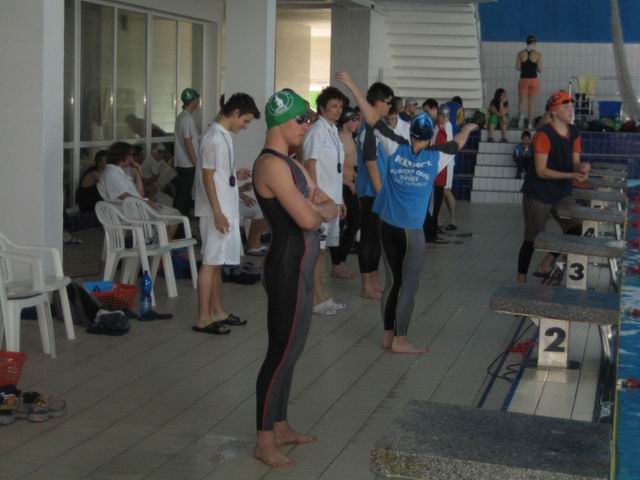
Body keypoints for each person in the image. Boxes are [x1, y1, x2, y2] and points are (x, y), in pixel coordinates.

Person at [336, 71, 478, 354]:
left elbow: (371, 118)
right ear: (429, 137)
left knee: (392, 283)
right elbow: (459, 141)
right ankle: (400, 340)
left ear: (411, 133)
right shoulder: (436, 156)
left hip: (388, 227)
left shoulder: (396, 147)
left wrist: (352, 84)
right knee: (409, 286)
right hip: (411, 233)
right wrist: (470, 127)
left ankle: (387, 336)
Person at [253, 90, 337, 468]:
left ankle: (281, 425)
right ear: (279, 121)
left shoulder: (292, 164)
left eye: (309, 119)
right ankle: (264, 441)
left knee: (294, 349)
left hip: (302, 266)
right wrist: (319, 209)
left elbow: (327, 203)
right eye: (301, 119)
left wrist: (318, 208)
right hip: (285, 267)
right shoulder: (270, 165)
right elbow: (308, 217)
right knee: (279, 353)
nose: (307, 126)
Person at [192, 93, 260, 334]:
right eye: (246, 121)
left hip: (224, 209)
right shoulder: (213, 137)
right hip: (216, 212)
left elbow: (218, 174)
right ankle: (203, 318)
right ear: (235, 113)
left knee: (217, 263)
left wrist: (235, 175)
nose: (245, 125)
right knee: (210, 263)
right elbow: (207, 177)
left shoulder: (224, 136)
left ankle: (217, 311)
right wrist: (217, 211)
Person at [516, 91, 590, 283]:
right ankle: (520, 279)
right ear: (554, 111)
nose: (571, 110)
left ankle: (547, 262)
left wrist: (581, 167)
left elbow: (575, 162)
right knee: (532, 239)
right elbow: (541, 171)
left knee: (577, 228)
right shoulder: (543, 135)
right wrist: (571, 175)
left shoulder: (574, 133)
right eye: (566, 107)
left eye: (571, 106)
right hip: (538, 193)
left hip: (561, 192)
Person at [303, 86, 348, 316]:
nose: (338, 110)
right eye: (333, 106)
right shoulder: (317, 131)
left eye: (340, 106)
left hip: (333, 200)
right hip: (321, 201)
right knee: (316, 252)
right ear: (321, 108)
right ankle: (314, 299)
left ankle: (323, 296)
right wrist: (317, 196)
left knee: (323, 252)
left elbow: (335, 171)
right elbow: (310, 164)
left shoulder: (332, 130)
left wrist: (340, 200)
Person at [354, 82, 395, 300]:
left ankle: (374, 279)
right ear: (378, 103)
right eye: (388, 103)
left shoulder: (376, 126)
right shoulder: (368, 128)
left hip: (378, 189)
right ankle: (366, 285)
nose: (389, 107)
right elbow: (370, 164)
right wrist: (381, 193)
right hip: (372, 192)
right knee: (369, 237)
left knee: (376, 237)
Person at [330, 106, 361, 279]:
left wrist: (355, 177)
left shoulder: (352, 138)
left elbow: (349, 164)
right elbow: (333, 168)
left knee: (355, 223)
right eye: (354, 120)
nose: (357, 123)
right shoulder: (338, 139)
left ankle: (340, 260)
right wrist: (348, 183)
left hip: (351, 186)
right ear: (346, 121)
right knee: (339, 226)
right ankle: (337, 265)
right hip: (340, 187)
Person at [424, 104, 453, 243]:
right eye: (442, 115)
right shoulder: (435, 130)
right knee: (433, 207)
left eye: (447, 116)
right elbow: (431, 149)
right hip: (435, 174)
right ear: (438, 115)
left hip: (442, 173)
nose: (444, 118)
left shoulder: (443, 129)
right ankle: (430, 235)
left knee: (437, 206)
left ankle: (433, 233)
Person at [173, 88, 201, 216]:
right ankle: (178, 225)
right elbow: (188, 143)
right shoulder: (187, 119)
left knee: (183, 196)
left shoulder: (182, 117)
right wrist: (196, 163)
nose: (198, 102)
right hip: (187, 165)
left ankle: (181, 224)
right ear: (193, 101)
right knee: (183, 198)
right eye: (197, 100)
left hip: (182, 163)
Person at [516, 35, 543, 130]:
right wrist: (534, 67)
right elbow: (540, 69)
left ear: (526, 42)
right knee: (531, 103)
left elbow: (518, 68)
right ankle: (530, 124)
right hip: (534, 80)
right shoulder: (538, 54)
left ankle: (521, 117)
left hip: (523, 79)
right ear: (534, 43)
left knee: (522, 101)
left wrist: (525, 67)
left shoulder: (520, 53)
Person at [238, 181, 269, 256]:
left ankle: (255, 242)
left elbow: (228, 189)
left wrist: (243, 188)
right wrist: (242, 196)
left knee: (266, 209)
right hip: (221, 205)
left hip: (233, 201)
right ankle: (252, 244)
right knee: (261, 210)